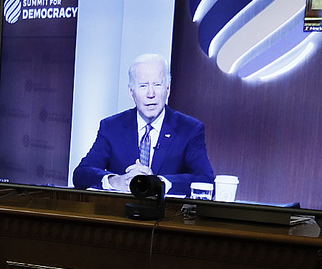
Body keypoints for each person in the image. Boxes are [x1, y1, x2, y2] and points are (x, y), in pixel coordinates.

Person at [71, 53, 215, 197]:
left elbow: (206, 179)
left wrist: (158, 183)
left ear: (168, 89)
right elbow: (81, 173)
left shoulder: (190, 129)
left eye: (157, 85)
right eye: (143, 86)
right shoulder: (111, 127)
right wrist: (116, 181)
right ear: (131, 92)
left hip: (166, 211)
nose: (150, 94)